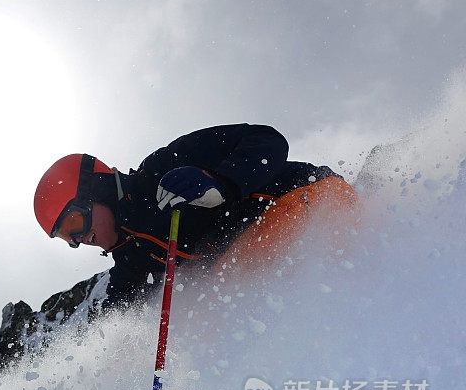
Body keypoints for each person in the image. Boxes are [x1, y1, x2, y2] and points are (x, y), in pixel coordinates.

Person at [33, 123, 359, 308]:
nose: (79, 239)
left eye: (75, 222)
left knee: (233, 286)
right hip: (258, 259)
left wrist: (223, 183)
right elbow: (122, 306)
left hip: (307, 197)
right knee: (220, 305)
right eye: (67, 238)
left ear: (97, 190)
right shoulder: (133, 262)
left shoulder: (161, 169)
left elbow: (267, 141)